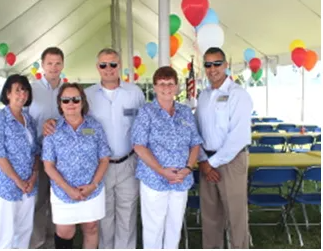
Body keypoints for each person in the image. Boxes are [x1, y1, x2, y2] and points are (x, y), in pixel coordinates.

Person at [43, 48, 145, 249]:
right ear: (97, 67)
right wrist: (50, 122)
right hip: (100, 169)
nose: (108, 69)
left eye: (113, 64)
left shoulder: (135, 93)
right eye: (103, 65)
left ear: (119, 65)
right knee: (103, 219)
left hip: (128, 162)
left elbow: (144, 124)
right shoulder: (88, 94)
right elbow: (69, 114)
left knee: (128, 215)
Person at [131, 66, 202, 249]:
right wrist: (161, 170)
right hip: (154, 178)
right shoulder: (146, 112)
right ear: (154, 87)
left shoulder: (185, 112)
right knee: (154, 227)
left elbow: (195, 143)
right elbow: (139, 145)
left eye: (170, 83)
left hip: (181, 179)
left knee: (175, 226)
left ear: (177, 86)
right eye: (161, 83)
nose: (166, 88)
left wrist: (188, 168)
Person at [195, 47, 253, 249]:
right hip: (206, 162)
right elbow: (197, 132)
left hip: (231, 161)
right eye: (208, 65)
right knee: (210, 217)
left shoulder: (238, 95)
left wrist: (211, 163)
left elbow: (237, 137)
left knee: (235, 216)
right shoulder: (203, 96)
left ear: (226, 65)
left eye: (217, 63)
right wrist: (203, 160)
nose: (212, 69)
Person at [42, 83, 111, 249]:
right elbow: (48, 166)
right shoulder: (52, 129)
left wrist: (93, 185)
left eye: (75, 99)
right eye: (66, 100)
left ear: (82, 102)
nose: (71, 103)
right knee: (65, 231)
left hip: (91, 190)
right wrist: (68, 189)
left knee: (91, 228)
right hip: (63, 191)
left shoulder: (94, 126)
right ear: (60, 103)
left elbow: (104, 158)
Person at [0, 74, 39, 249]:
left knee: (24, 233)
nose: (22, 94)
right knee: (6, 236)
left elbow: (35, 152)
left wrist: (32, 178)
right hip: (4, 186)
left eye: (25, 90)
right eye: (17, 90)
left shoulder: (29, 120)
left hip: (28, 188)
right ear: (8, 93)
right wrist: (19, 181)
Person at [28, 47, 64, 248]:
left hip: (62, 159)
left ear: (63, 65)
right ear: (42, 65)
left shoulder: (67, 92)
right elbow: (22, 120)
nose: (53, 67)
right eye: (49, 63)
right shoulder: (31, 90)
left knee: (58, 199)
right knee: (39, 200)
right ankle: (37, 242)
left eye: (57, 63)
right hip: (39, 156)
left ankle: (55, 240)